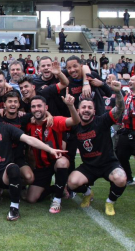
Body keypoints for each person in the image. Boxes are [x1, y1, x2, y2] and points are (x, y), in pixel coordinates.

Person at [0, 101, 67, 221]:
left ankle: (14, 208)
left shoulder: (6, 128)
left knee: (13, 168)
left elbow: (29, 139)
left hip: (4, 173)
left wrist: (50, 149)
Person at [68, 81, 126, 216]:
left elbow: (120, 109)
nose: (86, 110)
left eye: (89, 107)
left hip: (108, 164)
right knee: (71, 183)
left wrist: (117, 92)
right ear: (78, 110)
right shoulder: (75, 126)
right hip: (89, 166)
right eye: (83, 107)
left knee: (121, 178)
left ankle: (110, 201)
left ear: (94, 111)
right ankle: (88, 193)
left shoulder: (102, 121)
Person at [25, 93, 80, 213]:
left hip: (56, 161)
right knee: (31, 199)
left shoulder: (55, 121)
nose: (36, 109)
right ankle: (56, 188)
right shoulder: (29, 124)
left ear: (46, 107)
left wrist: (71, 106)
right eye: (34, 107)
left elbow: (75, 121)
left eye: (39, 106)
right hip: (41, 166)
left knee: (62, 163)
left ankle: (57, 200)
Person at [116, 75, 135, 185]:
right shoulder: (127, 96)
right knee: (121, 155)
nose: (130, 81)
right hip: (126, 130)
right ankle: (128, 178)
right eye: (130, 80)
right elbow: (121, 109)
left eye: (133, 80)